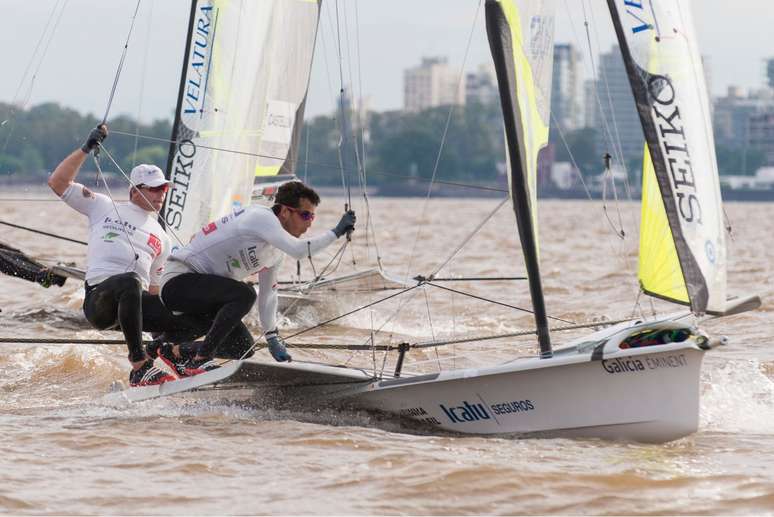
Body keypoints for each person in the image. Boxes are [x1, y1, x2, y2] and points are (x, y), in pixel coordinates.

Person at [48, 125, 207, 387]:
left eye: (164, 189)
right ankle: (140, 366)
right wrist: (86, 148)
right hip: (100, 303)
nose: (161, 194)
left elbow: (156, 293)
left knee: (196, 311)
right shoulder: (103, 206)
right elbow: (58, 183)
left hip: (136, 307)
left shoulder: (163, 238)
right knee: (130, 280)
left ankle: (173, 354)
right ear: (135, 191)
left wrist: (173, 329)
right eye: (154, 189)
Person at [157, 181, 356, 376]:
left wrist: (271, 336)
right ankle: (201, 360)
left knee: (243, 347)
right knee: (244, 293)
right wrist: (336, 232)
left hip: (203, 298)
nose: (310, 223)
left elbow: (269, 295)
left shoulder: (275, 251)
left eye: (312, 216)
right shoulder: (260, 217)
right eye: (305, 215)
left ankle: (172, 351)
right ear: (285, 212)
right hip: (178, 282)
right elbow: (299, 250)